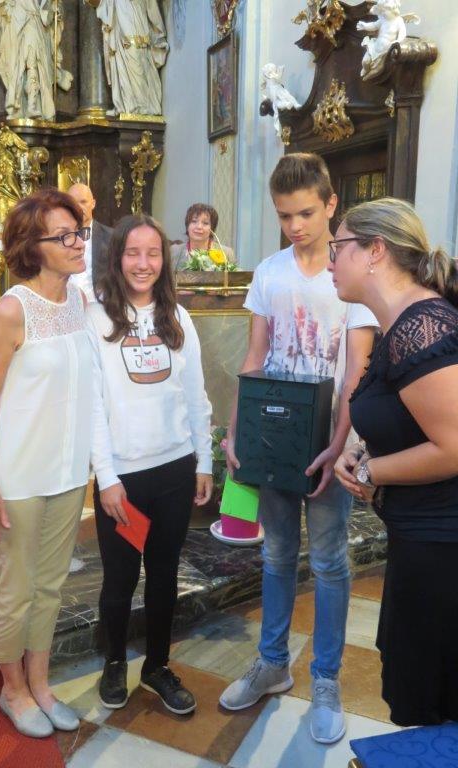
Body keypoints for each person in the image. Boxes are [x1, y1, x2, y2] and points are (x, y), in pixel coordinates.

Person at [219, 153, 378, 744]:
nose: (294, 226)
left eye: (306, 213)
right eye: (284, 215)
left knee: (330, 560)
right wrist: (235, 430)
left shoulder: (351, 274)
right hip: (274, 438)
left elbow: (357, 372)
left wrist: (338, 445)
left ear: (331, 204)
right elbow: (255, 357)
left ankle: (327, 679)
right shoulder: (269, 273)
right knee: (277, 553)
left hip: (332, 439)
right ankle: (272, 663)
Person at [332, 197, 458, 726]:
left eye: (338, 247)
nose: (331, 261)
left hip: (442, 549)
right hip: (418, 539)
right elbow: (407, 418)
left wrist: (370, 471)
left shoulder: (420, 325)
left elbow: (453, 446)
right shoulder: (401, 324)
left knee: (429, 703)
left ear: (375, 251)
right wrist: (363, 450)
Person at [0, 189, 93, 738]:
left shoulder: (79, 302)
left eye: (78, 231)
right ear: (31, 246)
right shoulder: (11, 310)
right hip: (19, 476)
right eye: (63, 236)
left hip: (67, 473)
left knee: (50, 587)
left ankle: (40, 684)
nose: (78, 242)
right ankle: (12, 689)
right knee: (16, 588)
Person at [88, 214, 213, 714]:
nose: (144, 263)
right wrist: (107, 477)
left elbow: (196, 395)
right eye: (133, 253)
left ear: (165, 259)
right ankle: (115, 661)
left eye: (153, 253)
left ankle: (157, 666)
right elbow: (93, 406)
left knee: (164, 575)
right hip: (125, 480)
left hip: (174, 472)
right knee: (120, 579)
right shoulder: (97, 319)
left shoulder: (178, 318)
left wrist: (204, 461)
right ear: (117, 257)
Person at [0, 0, 72, 121]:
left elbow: (51, 5)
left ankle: (32, 105)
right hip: (13, 21)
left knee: (33, 63)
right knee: (15, 68)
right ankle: (16, 106)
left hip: (34, 20)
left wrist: (54, 9)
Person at [88, 0, 169, 115]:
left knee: (135, 57)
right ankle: (124, 105)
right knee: (118, 58)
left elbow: (152, 8)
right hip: (118, 18)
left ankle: (141, 106)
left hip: (135, 18)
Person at [67, 183, 113, 302]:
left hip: (100, 305)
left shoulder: (111, 237)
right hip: (66, 304)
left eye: (83, 202)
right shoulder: (59, 238)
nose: (78, 207)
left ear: (93, 203)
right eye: (73, 203)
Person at [170, 203, 235, 272]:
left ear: (212, 228)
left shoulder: (226, 253)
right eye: (194, 221)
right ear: (187, 225)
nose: (199, 227)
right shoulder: (173, 251)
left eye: (205, 223)